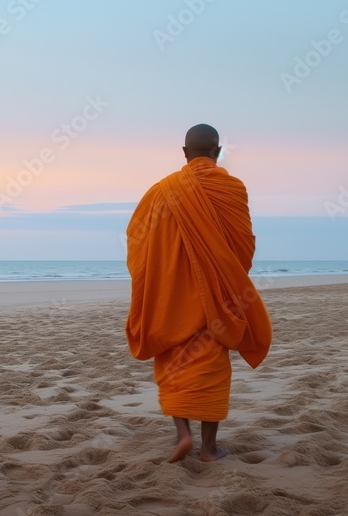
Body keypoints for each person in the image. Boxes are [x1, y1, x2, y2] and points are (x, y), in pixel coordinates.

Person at [124, 124, 273, 462]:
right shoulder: (231, 187)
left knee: (173, 362)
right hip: (214, 297)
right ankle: (208, 448)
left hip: (171, 299)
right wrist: (220, 274)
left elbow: (139, 243)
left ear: (184, 152)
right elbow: (243, 246)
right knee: (211, 366)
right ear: (217, 152)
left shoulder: (160, 192)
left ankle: (182, 435)